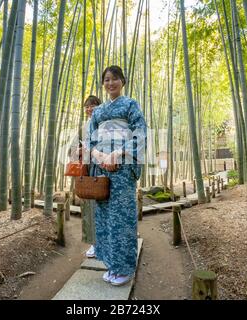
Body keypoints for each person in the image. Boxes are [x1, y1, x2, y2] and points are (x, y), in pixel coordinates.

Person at [88, 65, 147, 286]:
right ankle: (111, 264)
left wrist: (118, 154)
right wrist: (98, 155)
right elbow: (90, 138)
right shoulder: (98, 111)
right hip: (102, 166)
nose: (110, 83)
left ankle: (124, 268)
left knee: (121, 217)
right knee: (104, 217)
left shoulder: (130, 104)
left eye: (115, 79)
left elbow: (140, 132)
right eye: (106, 79)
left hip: (122, 168)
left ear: (123, 81)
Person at [69, 96, 102, 258]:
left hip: (102, 169)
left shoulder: (105, 124)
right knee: (89, 207)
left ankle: (105, 243)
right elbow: (74, 147)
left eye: (93, 105)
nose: (90, 109)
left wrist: (89, 150)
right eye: (87, 106)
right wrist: (78, 151)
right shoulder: (83, 127)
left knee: (104, 207)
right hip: (87, 170)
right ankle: (94, 244)